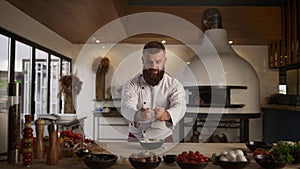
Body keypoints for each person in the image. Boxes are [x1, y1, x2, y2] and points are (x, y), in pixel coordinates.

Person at [121, 41, 186, 142]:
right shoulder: (132, 84)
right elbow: (126, 107)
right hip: (136, 137)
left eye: (158, 62)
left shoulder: (174, 84)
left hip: (164, 138)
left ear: (165, 60)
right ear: (143, 60)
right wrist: (138, 115)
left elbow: (180, 106)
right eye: (149, 62)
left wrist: (167, 114)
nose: (154, 67)